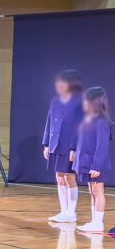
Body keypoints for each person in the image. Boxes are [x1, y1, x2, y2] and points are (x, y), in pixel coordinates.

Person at [43, 70, 85, 223]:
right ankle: (63, 211)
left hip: (69, 147)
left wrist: (75, 148)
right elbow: (49, 122)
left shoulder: (79, 102)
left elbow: (80, 127)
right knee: (59, 176)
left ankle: (71, 212)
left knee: (69, 177)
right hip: (55, 145)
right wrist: (46, 144)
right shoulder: (55, 100)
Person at [71, 86, 113, 234]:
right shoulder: (87, 119)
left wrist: (96, 166)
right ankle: (94, 221)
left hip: (96, 164)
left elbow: (101, 146)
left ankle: (98, 223)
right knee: (91, 191)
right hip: (86, 162)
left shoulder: (102, 122)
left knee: (98, 191)